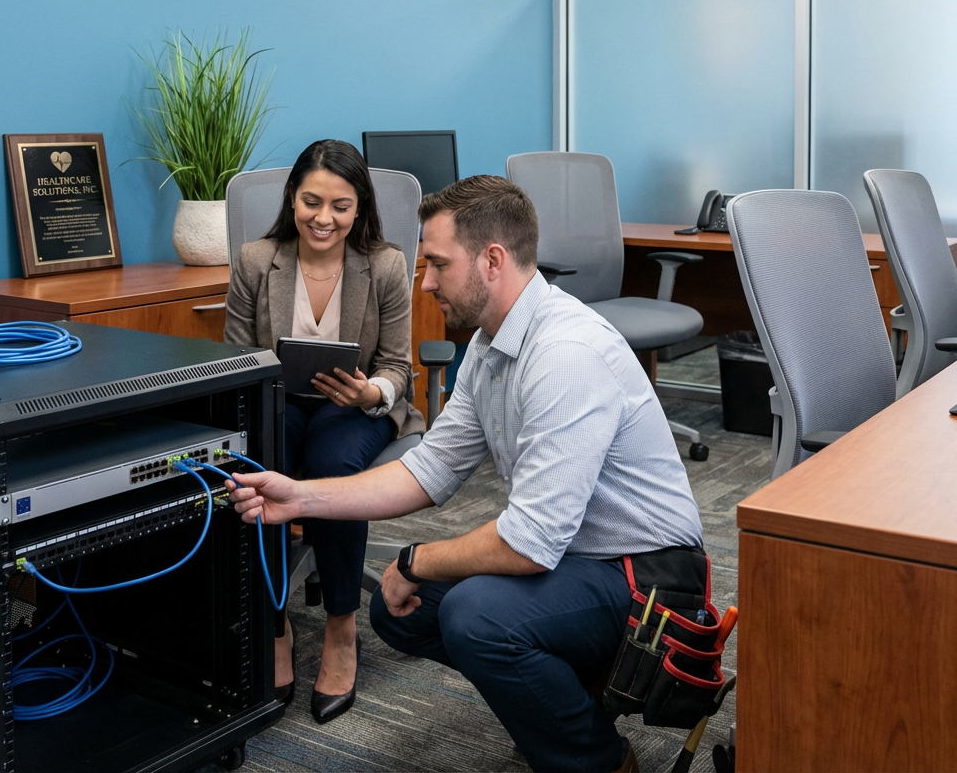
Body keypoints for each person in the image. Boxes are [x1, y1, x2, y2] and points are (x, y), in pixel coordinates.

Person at [227, 175, 703, 772]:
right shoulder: (489, 342)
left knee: (473, 615)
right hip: (577, 559)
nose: (425, 283)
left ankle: (602, 762)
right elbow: (427, 471)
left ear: (492, 260)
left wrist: (414, 560)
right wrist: (299, 499)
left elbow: (527, 544)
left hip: (651, 581)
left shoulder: (564, 354)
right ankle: (573, 701)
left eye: (437, 265)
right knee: (402, 610)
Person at [224, 139, 423, 723]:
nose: (323, 218)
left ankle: (340, 629)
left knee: (334, 467)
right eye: (312, 201)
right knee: (261, 467)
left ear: (359, 208)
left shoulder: (383, 265)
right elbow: (235, 359)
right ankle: (276, 623)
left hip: (352, 409)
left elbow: (396, 366)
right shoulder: (257, 260)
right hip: (276, 401)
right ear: (293, 199)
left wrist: (372, 393)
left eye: (340, 205)